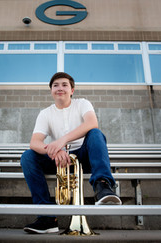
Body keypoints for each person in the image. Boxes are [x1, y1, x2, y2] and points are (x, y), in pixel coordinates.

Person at [21, 72, 122, 234]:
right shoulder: (45, 113)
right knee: (27, 156)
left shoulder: (82, 103)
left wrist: (61, 141)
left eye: (64, 85)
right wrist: (54, 152)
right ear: (51, 91)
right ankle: (47, 217)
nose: (59, 88)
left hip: (85, 157)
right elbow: (35, 142)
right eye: (55, 85)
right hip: (59, 159)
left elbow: (91, 122)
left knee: (95, 133)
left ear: (72, 90)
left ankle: (103, 186)